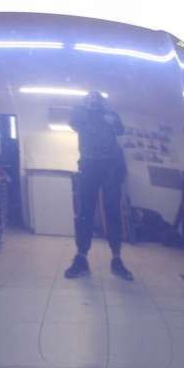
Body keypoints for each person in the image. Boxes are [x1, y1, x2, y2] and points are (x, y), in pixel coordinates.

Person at [64, 91, 134, 281]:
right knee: (84, 212)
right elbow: (74, 123)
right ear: (84, 101)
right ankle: (81, 258)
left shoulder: (109, 113)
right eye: (89, 98)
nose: (93, 101)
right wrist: (87, 108)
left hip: (111, 166)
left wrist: (108, 113)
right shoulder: (80, 112)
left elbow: (120, 130)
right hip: (88, 164)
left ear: (102, 101)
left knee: (113, 211)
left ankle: (116, 258)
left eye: (96, 98)